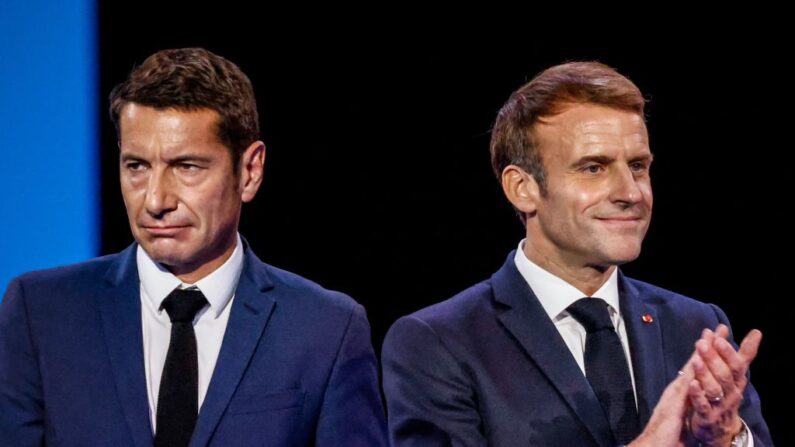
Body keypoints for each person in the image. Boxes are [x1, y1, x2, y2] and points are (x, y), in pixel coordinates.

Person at [0, 47, 387, 446]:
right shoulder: (42, 313)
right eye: (137, 166)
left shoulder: (325, 330)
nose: (155, 200)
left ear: (250, 171)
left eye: (186, 167)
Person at [381, 61, 772, 446]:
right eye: (593, 168)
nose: (631, 193)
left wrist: (726, 437)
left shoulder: (695, 325)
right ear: (522, 188)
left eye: (637, 166)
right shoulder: (439, 343)